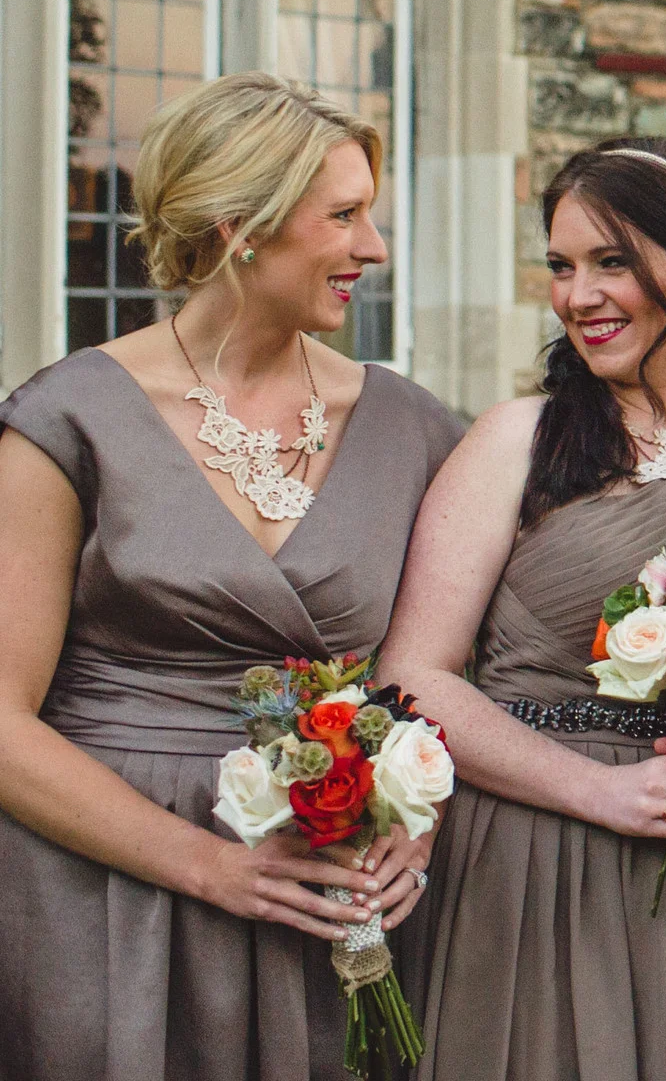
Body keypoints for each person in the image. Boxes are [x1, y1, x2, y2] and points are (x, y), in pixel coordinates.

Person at [0, 72, 463, 1080]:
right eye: (344, 215)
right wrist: (211, 864)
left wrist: (418, 817)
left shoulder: (412, 427)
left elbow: (451, 670)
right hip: (105, 898)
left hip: (328, 900)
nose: (374, 247)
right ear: (240, 225)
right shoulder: (66, 419)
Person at [382, 136, 666, 1081]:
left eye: (611, 262)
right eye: (561, 266)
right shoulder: (518, 440)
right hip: (536, 857)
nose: (579, 295)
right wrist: (598, 792)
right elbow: (415, 674)